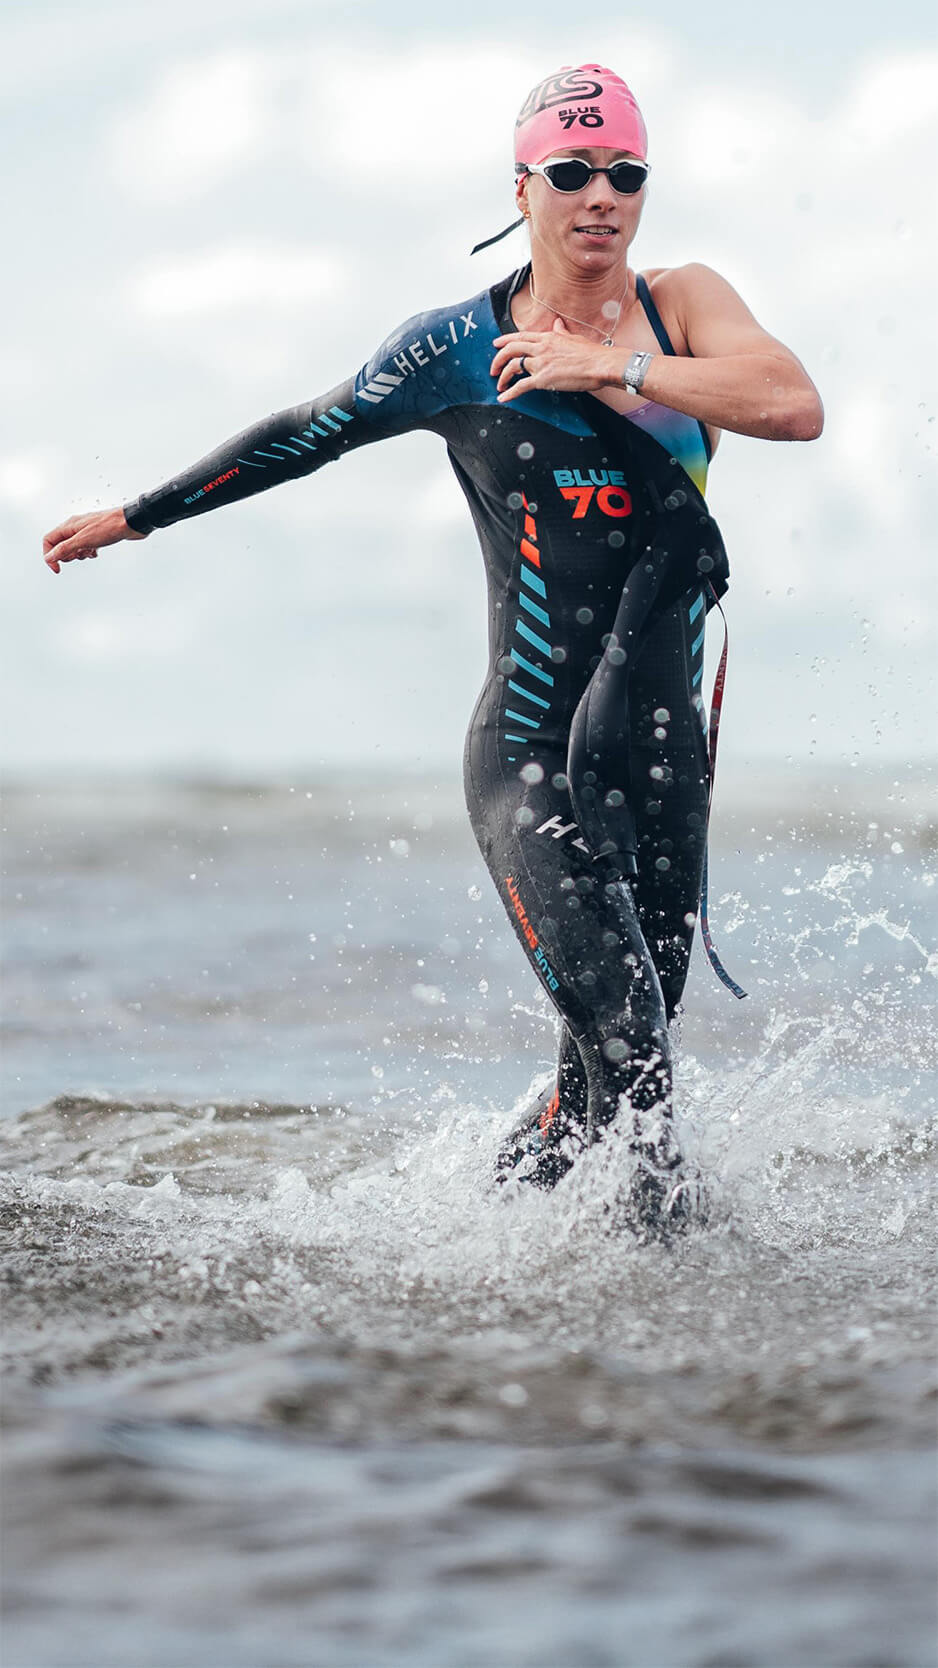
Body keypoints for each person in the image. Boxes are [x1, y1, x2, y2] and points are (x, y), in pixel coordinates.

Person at [42, 64, 823, 1238]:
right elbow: (308, 431)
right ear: (521, 187)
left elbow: (791, 402)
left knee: (612, 1071)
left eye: (623, 172)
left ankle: (467, 1254)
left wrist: (604, 367)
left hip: (660, 747)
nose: (598, 194)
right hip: (527, 751)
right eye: (570, 171)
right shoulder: (452, 348)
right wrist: (141, 514)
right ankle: (674, 1329)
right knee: (639, 1070)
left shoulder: (681, 307)